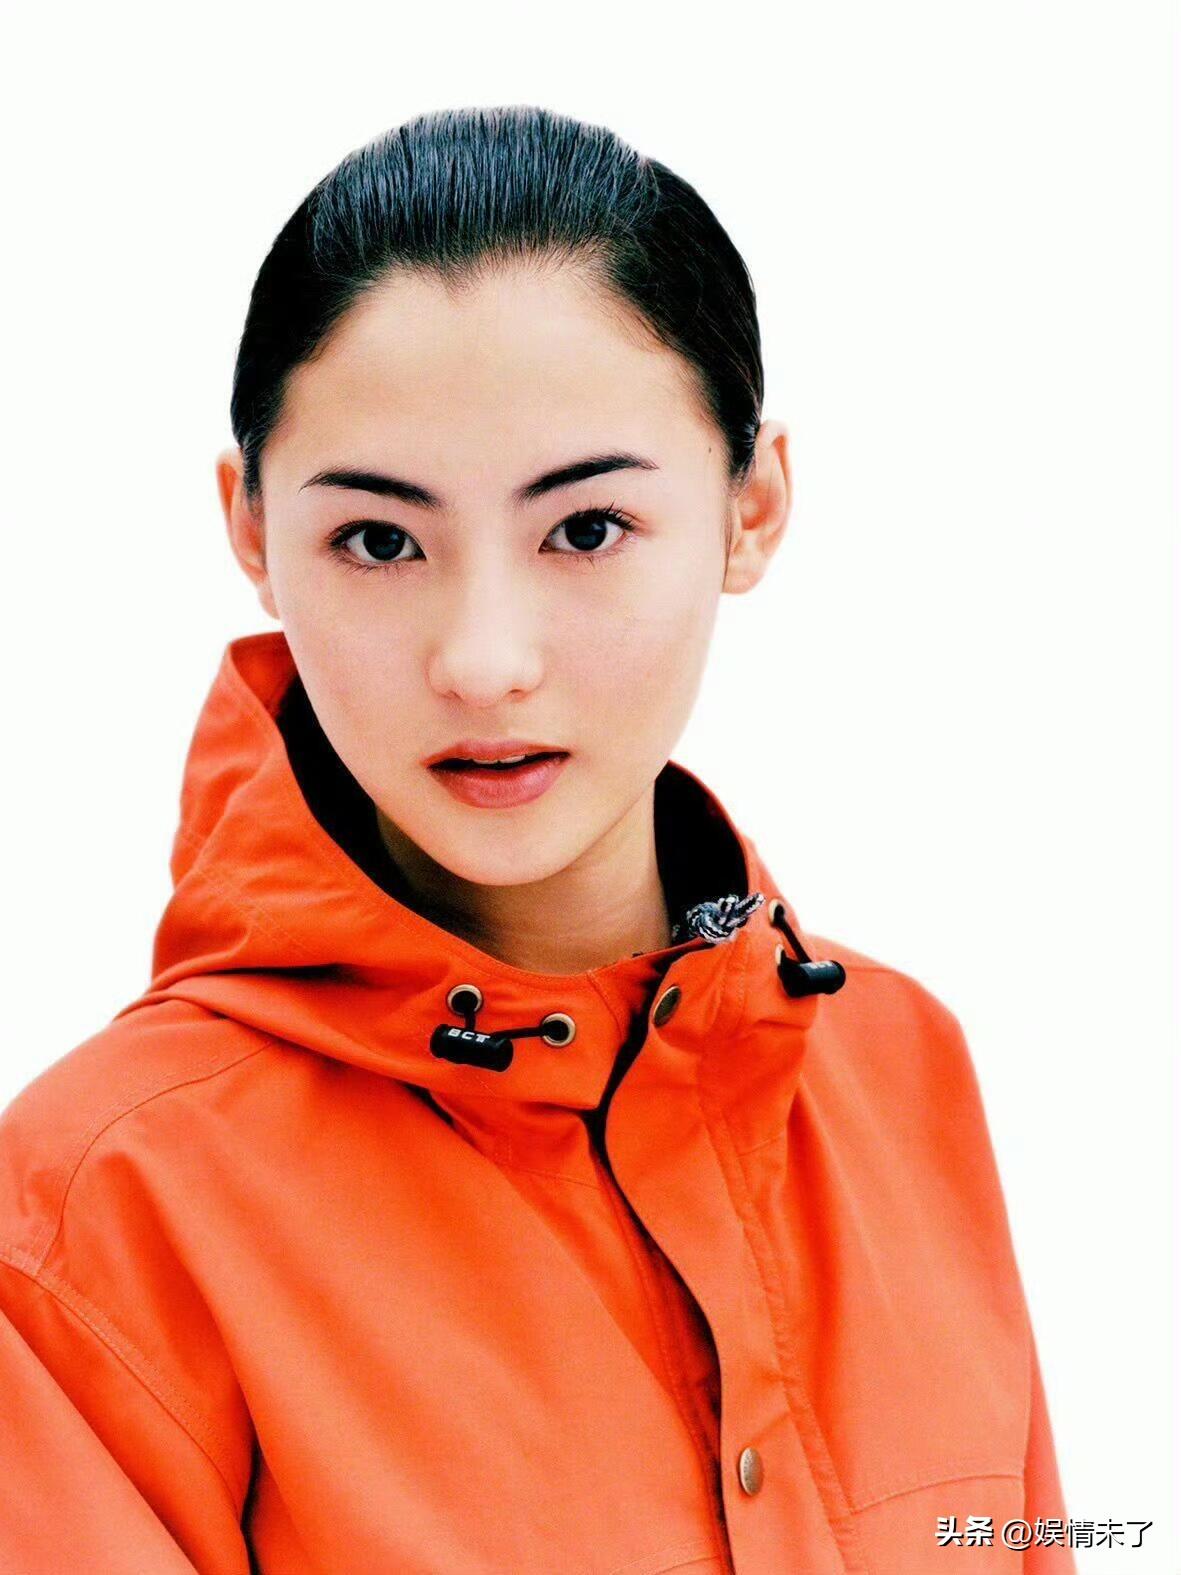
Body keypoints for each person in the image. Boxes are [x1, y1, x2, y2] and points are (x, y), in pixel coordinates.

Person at [0, 106, 1074, 1573]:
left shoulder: (900, 1069)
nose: (484, 662)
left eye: (585, 530)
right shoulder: (92, 1212)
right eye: (380, 541)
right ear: (250, 530)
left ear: (751, 508)